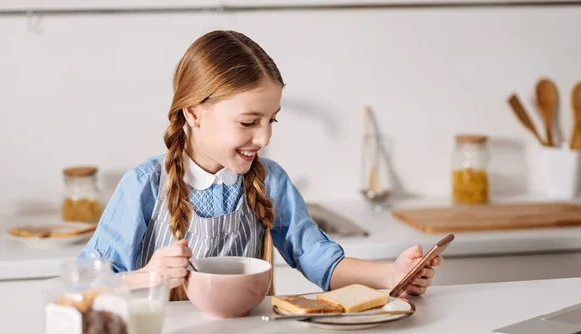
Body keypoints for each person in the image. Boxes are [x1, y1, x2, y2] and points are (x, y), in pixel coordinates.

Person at [80, 30, 442, 300]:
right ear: (193, 112)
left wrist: (392, 275)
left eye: (272, 121)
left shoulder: (271, 182)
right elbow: (83, 285)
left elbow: (320, 261)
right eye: (248, 122)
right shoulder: (144, 186)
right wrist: (148, 276)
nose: (265, 138)